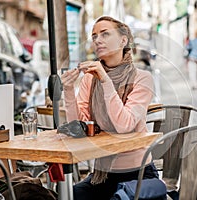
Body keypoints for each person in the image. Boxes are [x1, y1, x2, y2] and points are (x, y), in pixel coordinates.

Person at [61, 16, 158, 200]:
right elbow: (77, 127)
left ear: (123, 40)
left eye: (105, 34)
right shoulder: (90, 78)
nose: (98, 40)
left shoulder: (142, 78)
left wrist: (105, 80)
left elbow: (124, 125)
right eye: (95, 36)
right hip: (102, 175)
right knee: (68, 196)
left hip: (138, 175)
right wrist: (68, 90)